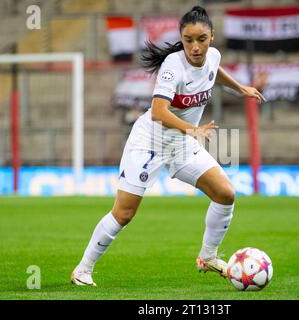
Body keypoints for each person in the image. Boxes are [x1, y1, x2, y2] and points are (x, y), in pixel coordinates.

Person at [71, 6, 265, 286]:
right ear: (181, 39)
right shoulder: (173, 66)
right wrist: (193, 129)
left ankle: (208, 257)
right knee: (124, 213)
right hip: (150, 142)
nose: (195, 47)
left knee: (225, 194)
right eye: (188, 40)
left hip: (183, 143)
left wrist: (241, 88)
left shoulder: (213, 56)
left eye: (201, 39)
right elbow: (159, 112)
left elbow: (214, 70)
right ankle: (83, 269)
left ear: (212, 36)